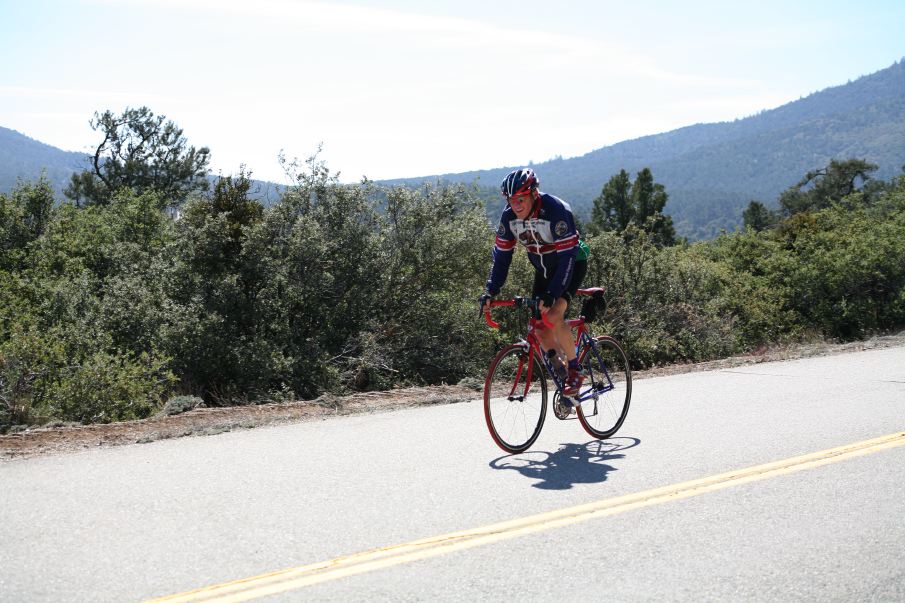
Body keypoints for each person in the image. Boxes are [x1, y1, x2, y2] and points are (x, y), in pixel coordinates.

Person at [480, 168, 590, 398]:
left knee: (553, 314)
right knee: (538, 327)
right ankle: (561, 374)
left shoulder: (556, 210)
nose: (516, 205)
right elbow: (501, 258)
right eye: (511, 200)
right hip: (543, 269)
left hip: (570, 264)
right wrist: (490, 290)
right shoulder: (509, 217)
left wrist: (554, 294)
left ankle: (575, 370)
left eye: (521, 198)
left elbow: (567, 257)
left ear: (533, 194)